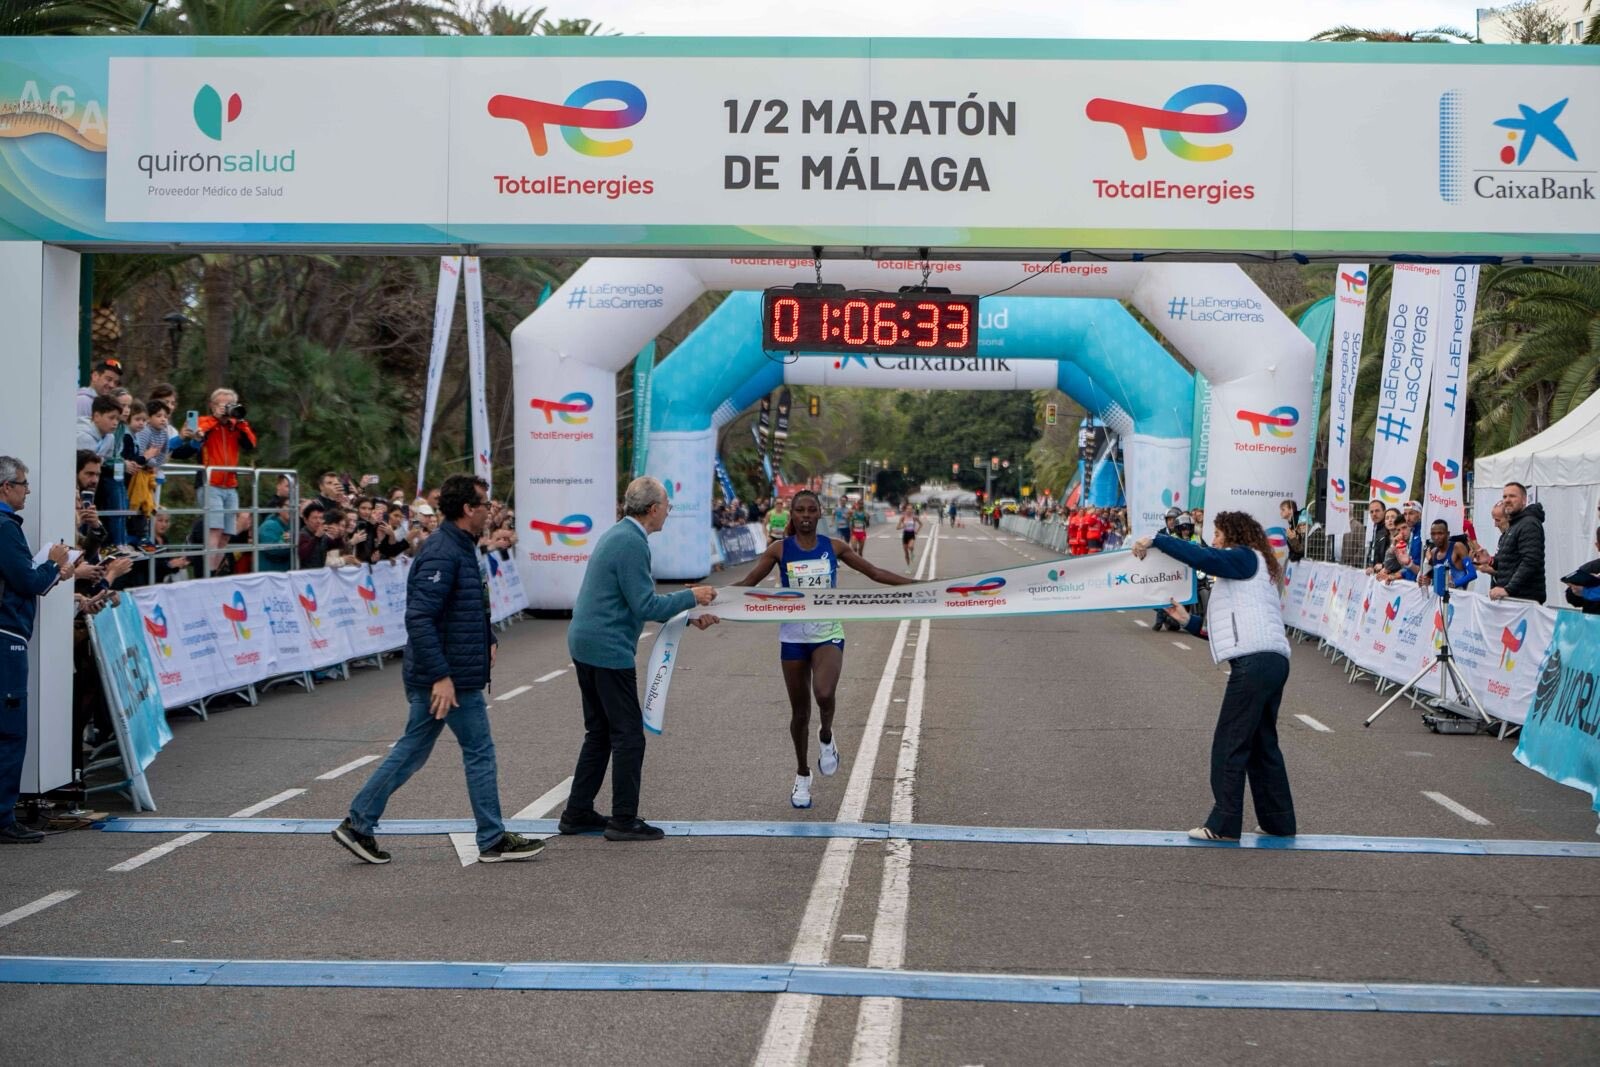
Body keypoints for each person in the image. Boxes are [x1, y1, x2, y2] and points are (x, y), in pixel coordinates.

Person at [334, 475, 542, 865]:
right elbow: (420, 618)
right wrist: (441, 677)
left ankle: (358, 823)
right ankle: (492, 838)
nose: (490, 510)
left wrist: (487, 636)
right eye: (485, 504)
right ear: (467, 508)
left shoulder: (460, 545)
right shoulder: (442, 551)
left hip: (448, 671)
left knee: (412, 750)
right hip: (449, 677)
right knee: (479, 752)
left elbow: (464, 606)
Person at [733, 490, 916, 808]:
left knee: (824, 693)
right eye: (800, 510)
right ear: (792, 514)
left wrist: (921, 587)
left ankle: (827, 735)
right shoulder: (780, 549)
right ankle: (803, 774)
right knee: (800, 713)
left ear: (820, 514)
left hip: (827, 633)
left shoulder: (834, 547)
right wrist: (704, 597)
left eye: (811, 510)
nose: (805, 515)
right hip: (793, 637)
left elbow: (874, 573)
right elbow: (747, 585)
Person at [559, 477, 718, 841]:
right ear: (653, 509)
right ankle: (623, 820)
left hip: (587, 641)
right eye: (667, 506)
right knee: (629, 736)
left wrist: (688, 616)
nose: (669, 512)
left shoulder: (621, 534)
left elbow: (636, 600)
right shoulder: (632, 542)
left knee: (600, 732)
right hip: (607, 647)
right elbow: (646, 605)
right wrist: (692, 597)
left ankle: (577, 812)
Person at [1132, 511, 1295, 842]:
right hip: (1272, 660)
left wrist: (1159, 539)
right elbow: (1225, 628)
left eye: (1218, 534)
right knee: (1262, 745)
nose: (1215, 540)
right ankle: (1278, 820)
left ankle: (1224, 823)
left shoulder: (1243, 557)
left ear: (1234, 535)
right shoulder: (1254, 565)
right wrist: (1186, 621)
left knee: (1229, 745)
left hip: (1254, 663)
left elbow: (1202, 557)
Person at [0, 456, 74, 843]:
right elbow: (27, 581)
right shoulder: (4, 528)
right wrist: (54, 565)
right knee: (10, 732)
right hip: (5, 637)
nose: (28, 491)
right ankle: (3, 819)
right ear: (5, 487)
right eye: (23, 484)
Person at [195, 388, 257, 567]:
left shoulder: (236, 426)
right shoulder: (204, 421)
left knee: (227, 533)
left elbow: (251, 444)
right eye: (221, 404)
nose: (226, 408)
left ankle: (214, 570)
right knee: (215, 529)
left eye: (230, 404)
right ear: (212, 405)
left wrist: (240, 421)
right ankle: (207, 573)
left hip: (230, 485)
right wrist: (216, 418)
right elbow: (197, 434)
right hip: (210, 483)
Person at [1482, 482, 1546, 604]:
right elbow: (1508, 563)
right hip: (1512, 600)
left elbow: (1530, 561)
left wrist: (1508, 589)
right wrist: (1489, 560)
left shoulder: (1529, 523)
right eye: (1505, 496)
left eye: (1512, 496)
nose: (1507, 500)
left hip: (1523, 600)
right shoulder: (1514, 525)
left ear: (1524, 500)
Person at [1419, 519, 1476, 591]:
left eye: (1440, 533)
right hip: (1440, 595)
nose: (1436, 537)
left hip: (1457, 595)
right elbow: (1435, 577)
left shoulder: (1458, 547)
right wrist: (1426, 581)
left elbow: (1472, 574)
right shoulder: (1433, 552)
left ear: (1448, 534)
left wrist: (1454, 584)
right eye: (1433, 534)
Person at [1564, 527, 1600, 615]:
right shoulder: (1589, 568)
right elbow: (1573, 599)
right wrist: (1574, 590)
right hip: (1592, 619)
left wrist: (1585, 591)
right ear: (1598, 546)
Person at [1364, 500, 1391, 573]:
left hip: (1386, 572)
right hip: (1377, 572)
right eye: (1371, 512)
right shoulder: (1376, 528)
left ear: (1384, 512)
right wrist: (1370, 566)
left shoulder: (1389, 529)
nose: (1374, 514)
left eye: (1377, 511)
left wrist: (1383, 565)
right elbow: (1374, 550)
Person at [899, 503, 921, 567]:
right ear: (905, 510)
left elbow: (921, 524)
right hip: (905, 534)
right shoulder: (902, 517)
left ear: (912, 510)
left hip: (911, 534)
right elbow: (897, 527)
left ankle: (912, 552)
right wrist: (902, 526)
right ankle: (908, 567)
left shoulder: (914, 517)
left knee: (910, 547)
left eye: (911, 509)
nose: (909, 510)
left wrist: (917, 531)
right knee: (906, 553)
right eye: (908, 509)